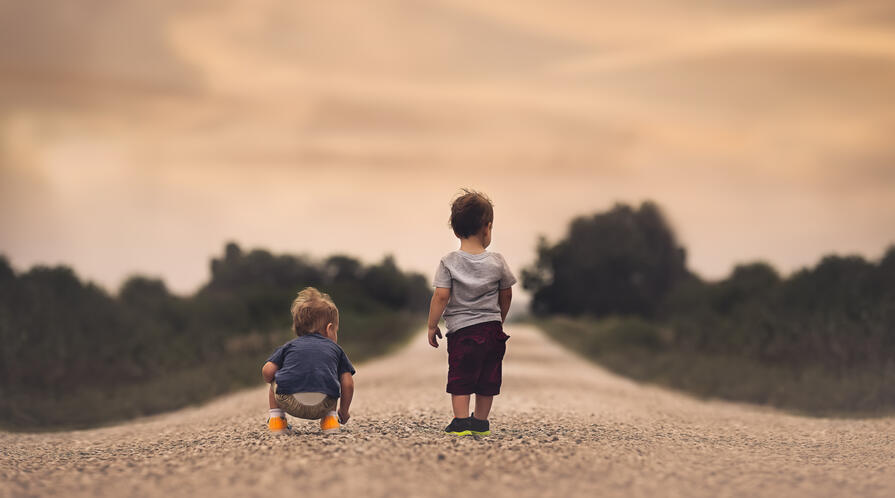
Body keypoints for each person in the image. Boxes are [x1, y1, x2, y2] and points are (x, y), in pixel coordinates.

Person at [427, 189, 515, 436]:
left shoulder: (448, 262)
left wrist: (432, 325)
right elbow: (506, 294)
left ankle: (461, 420)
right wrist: (499, 318)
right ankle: (481, 422)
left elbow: (441, 296)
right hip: (492, 330)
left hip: (462, 332)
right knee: (489, 377)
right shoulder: (497, 261)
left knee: (461, 374)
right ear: (487, 228)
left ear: (455, 231)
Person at [262, 287, 355, 434]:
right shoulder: (336, 350)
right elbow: (348, 383)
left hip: (289, 401)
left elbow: (267, 371)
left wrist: (275, 378)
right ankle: (330, 422)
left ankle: (277, 422)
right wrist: (344, 410)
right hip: (323, 404)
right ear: (330, 329)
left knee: (276, 376)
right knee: (332, 376)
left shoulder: (289, 346)